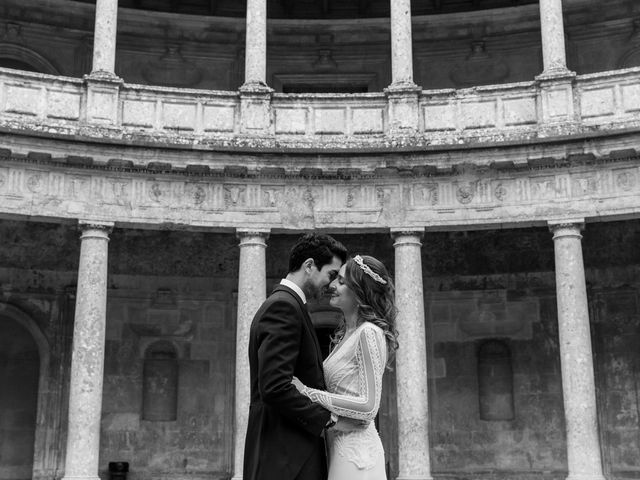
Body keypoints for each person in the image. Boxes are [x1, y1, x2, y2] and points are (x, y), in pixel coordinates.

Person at [243, 233, 351, 480]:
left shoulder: (289, 305)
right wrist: (328, 420)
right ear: (310, 265)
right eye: (331, 274)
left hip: (289, 455)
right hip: (285, 458)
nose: (332, 284)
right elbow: (275, 386)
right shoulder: (284, 307)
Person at [291, 254, 399, 480]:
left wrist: (308, 393)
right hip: (339, 448)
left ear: (359, 292)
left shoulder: (368, 333)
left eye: (341, 282)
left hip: (357, 455)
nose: (332, 285)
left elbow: (369, 406)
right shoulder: (346, 335)